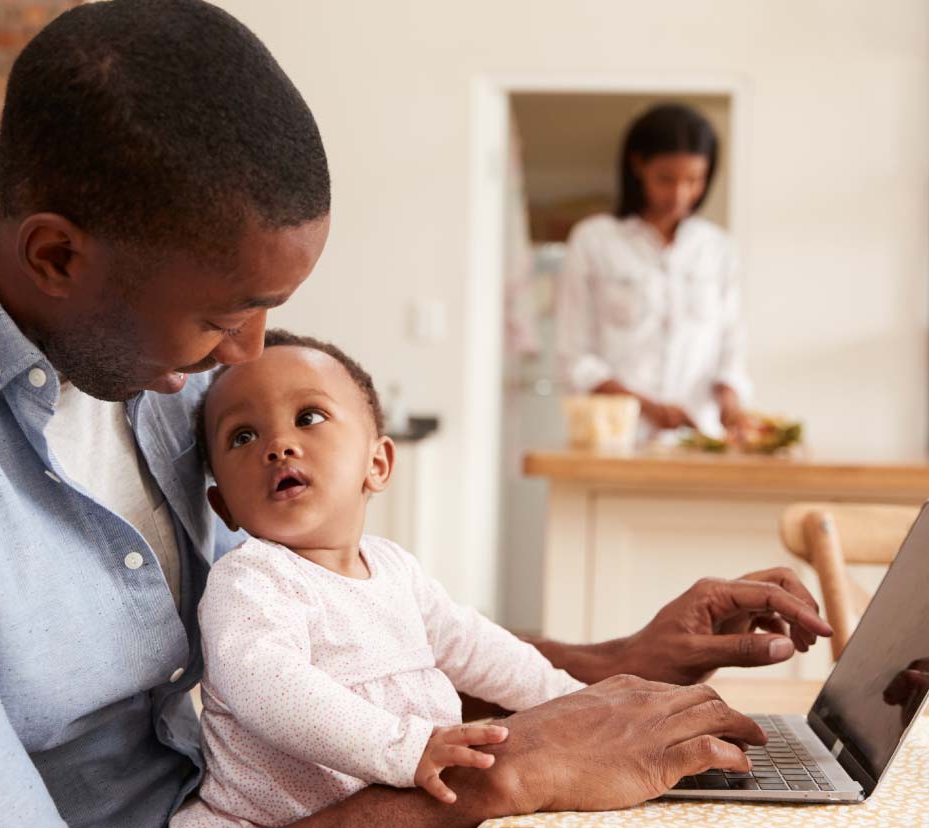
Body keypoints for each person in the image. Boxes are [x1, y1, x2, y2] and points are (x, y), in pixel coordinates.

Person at [0, 0, 830, 827]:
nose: (244, 364)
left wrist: (619, 660)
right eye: (227, 319)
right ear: (54, 255)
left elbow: (351, 647)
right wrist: (510, 774)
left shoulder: (129, 287)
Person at [178, 330, 616, 826]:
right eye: (243, 436)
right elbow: (270, 689)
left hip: (399, 808)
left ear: (378, 463)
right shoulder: (250, 580)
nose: (278, 446)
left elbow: (478, 647)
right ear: (223, 507)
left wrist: (575, 702)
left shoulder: (395, 569)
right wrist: (404, 748)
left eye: (309, 418)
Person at [556, 103, 753, 440]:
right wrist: (645, 407)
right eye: (666, 179)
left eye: (694, 180)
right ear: (637, 166)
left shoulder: (718, 249)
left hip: (700, 441)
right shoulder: (594, 240)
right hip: (616, 439)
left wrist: (730, 401)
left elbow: (731, 345)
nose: (680, 194)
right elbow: (574, 357)